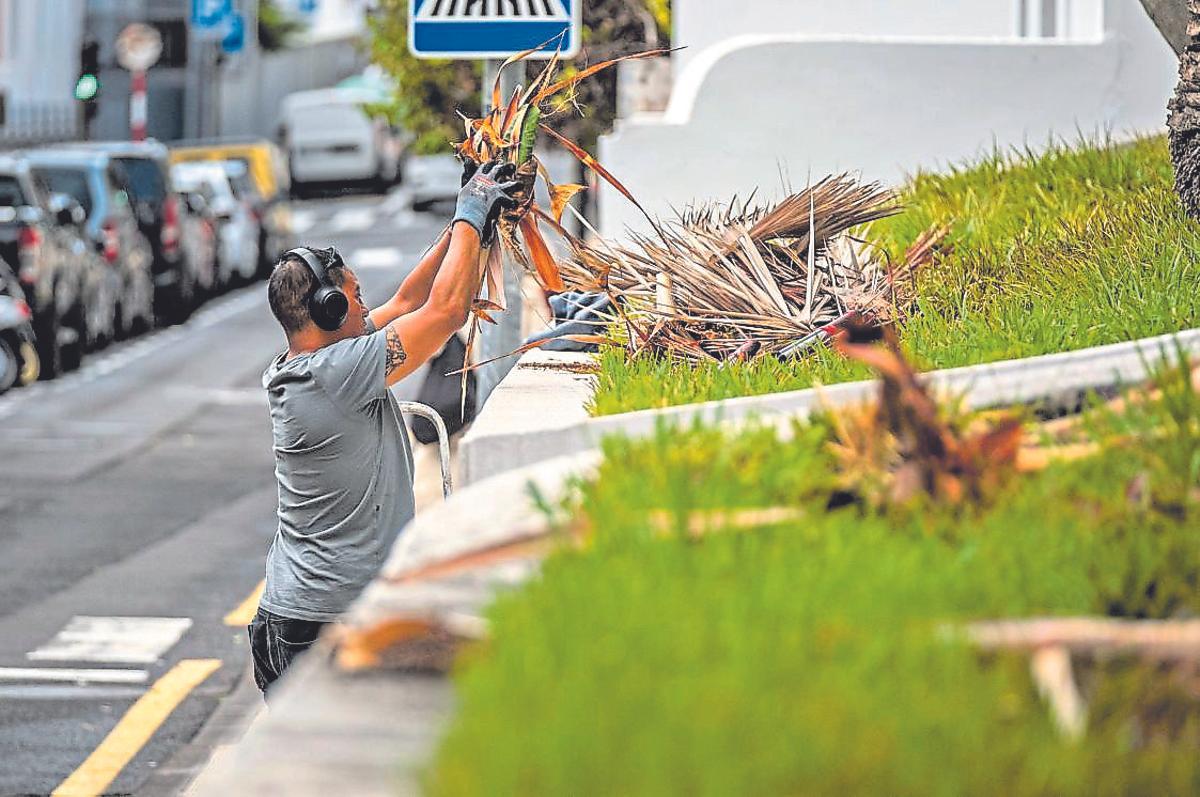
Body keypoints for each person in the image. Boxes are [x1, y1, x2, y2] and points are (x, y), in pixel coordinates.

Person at [248, 161, 520, 695]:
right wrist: (469, 212)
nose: (366, 302)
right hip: (317, 625)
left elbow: (409, 301)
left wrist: (464, 225)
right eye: (354, 294)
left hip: (310, 616)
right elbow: (444, 312)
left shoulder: (324, 357)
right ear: (328, 309)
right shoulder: (335, 374)